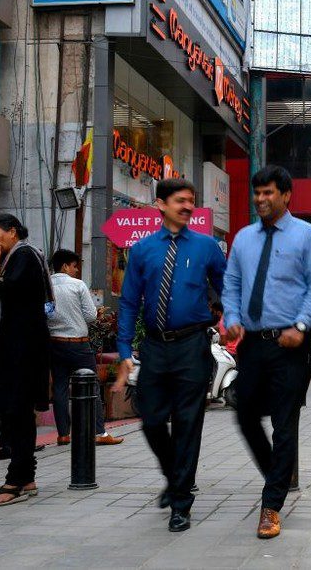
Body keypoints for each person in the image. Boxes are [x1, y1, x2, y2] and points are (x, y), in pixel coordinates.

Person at [111, 178, 226, 533]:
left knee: (189, 423)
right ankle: (173, 473)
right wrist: (124, 348)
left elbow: (226, 289)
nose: (188, 207)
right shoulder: (143, 250)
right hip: (155, 347)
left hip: (192, 344)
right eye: (180, 201)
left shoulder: (207, 247)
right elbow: (129, 302)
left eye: (192, 201)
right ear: (160, 204)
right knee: (151, 416)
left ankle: (180, 503)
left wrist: (231, 319)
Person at [223, 165, 311, 539]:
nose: (261, 200)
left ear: (286, 195)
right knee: (245, 414)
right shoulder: (243, 239)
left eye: (268, 193)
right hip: (252, 343)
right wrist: (232, 317)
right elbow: (232, 282)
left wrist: (301, 327)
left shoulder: (308, 236)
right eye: (257, 193)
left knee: (285, 424)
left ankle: (271, 506)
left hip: (290, 345)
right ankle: (278, 473)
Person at [0, 214, 53, 507]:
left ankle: (16, 480)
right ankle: (25, 475)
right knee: (12, 412)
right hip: (12, 347)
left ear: (12, 231)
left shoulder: (24, 255)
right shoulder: (15, 257)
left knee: (15, 412)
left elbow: (10, 291)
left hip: (22, 348)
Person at [48, 249, 123, 447]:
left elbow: (44, 314)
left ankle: (63, 434)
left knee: (60, 388)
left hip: (54, 343)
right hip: (78, 343)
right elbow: (90, 316)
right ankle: (99, 432)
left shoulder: (44, 285)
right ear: (65, 266)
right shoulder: (78, 285)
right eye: (74, 266)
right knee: (92, 386)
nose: (76, 270)